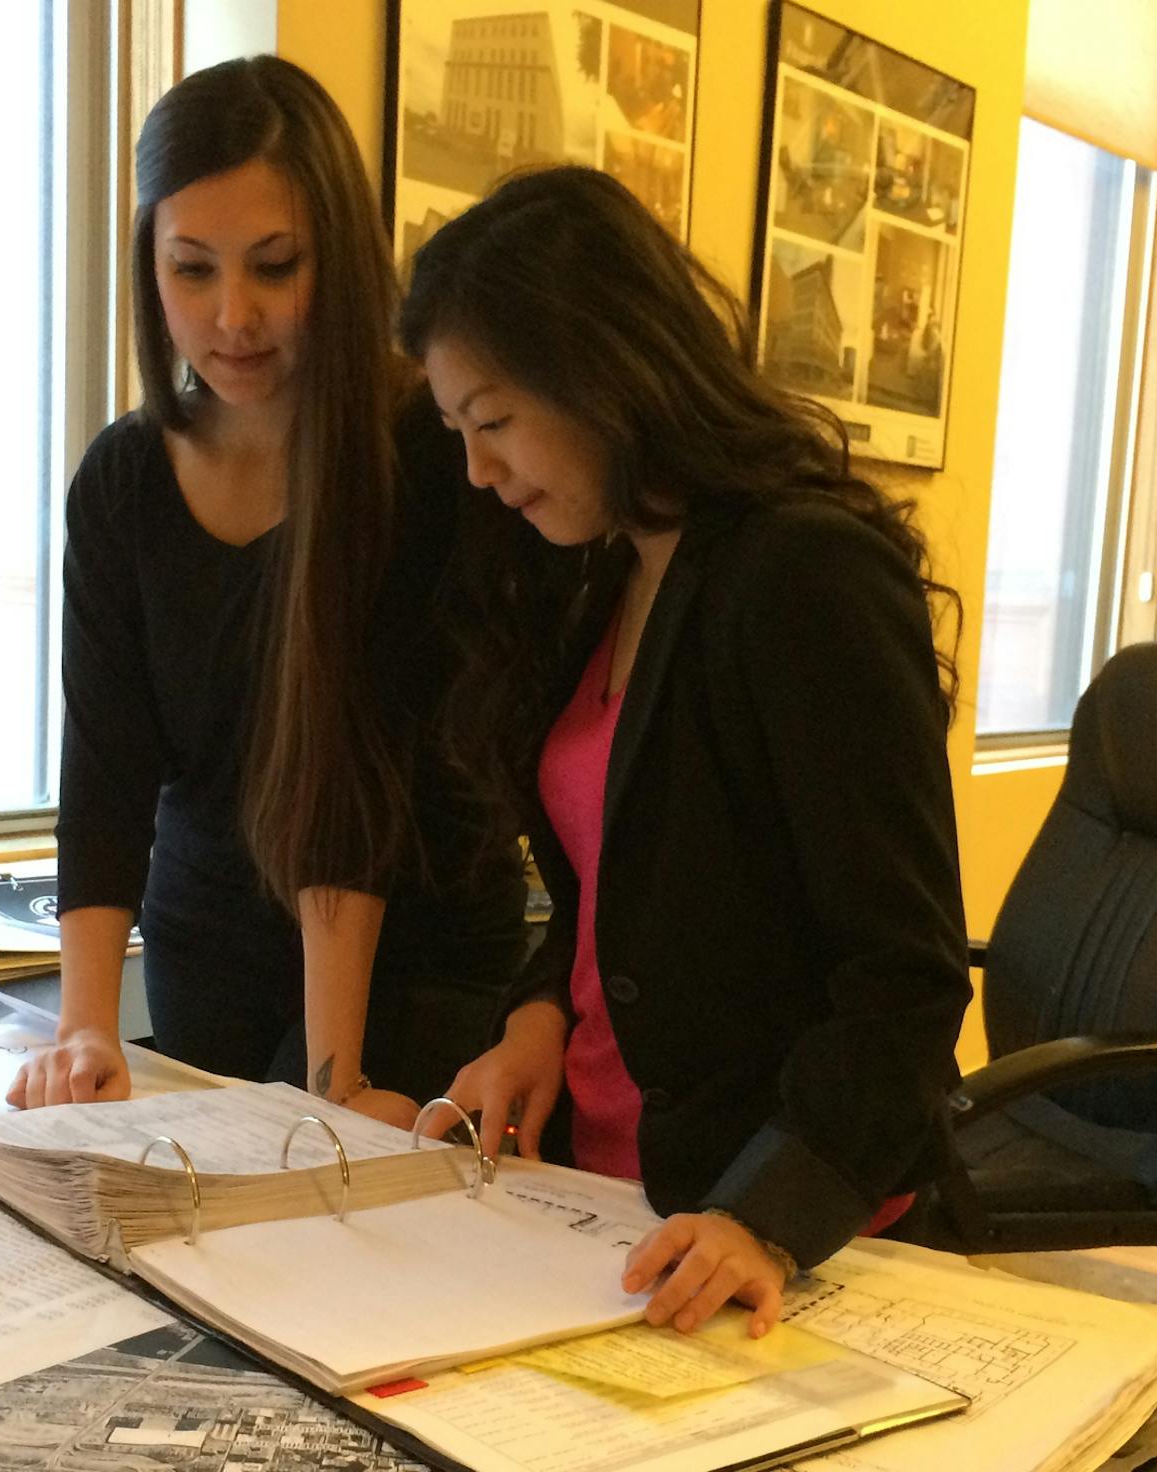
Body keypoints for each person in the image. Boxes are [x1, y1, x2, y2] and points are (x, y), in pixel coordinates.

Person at [404, 166, 970, 1336]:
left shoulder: (803, 572)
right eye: (458, 431)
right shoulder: (602, 570)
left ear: (599, 365)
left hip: (782, 1230)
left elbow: (902, 976)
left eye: (495, 421)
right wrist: (535, 1018)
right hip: (614, 1201)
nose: (479, 471)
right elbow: (619, 885)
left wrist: (767, 1214)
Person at [8, 57, 524, 1124]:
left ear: (335, 256)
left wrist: (335, 1079)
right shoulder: (122, 482)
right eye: (192, 270)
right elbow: (105, 776)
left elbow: (356, 781)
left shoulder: (419, 456)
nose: (232, 316)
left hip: (409, 961)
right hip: (208, 952)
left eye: (275, 267)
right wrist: (87, 1028)